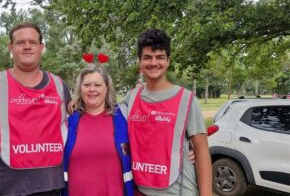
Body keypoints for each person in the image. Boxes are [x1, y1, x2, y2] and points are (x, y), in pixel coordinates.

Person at [0, 22, 71, 196]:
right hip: (1, 190)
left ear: (41, 47)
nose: (27, 46)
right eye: (20, 42)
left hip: (52, 189)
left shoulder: (60, 86)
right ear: (10, 47)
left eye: (33, 42)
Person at [119, 28, 212, 196]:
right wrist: (76, 100)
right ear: (139, 62)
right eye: (147, 57)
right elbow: (103, 112)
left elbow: (202, 152)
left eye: (160, 57)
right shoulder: (131, 97)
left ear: (168, 61)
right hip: (141, 190)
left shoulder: (187, 99)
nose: (154, 63)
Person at [63, 64, 134, 196]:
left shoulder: (124, 116)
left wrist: (186, 140)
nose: (92, 89)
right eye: (87, 85)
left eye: (97, 85)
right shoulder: (69, 121)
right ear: (80, 89)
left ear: (107, 88)